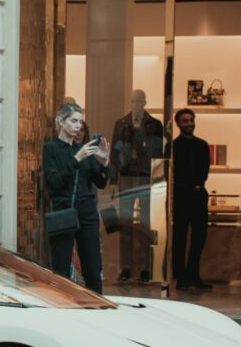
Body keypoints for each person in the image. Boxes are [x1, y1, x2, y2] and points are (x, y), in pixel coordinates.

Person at [43, 103, 108, 293]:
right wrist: (76, 159)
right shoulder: (51, 149)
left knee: (93, 267)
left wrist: (104, 161)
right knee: (61, 268)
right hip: (64, 211)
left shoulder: (85, 150)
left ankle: (98, 309)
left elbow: (101, 182)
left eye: (80, 121)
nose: (78, 125)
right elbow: (54, 183)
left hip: (87, 212)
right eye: (73, 121)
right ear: (60, 122)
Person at [110, 89, 163, 284]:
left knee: (146, 223)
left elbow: (159, 154)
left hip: (145, 177)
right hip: (126, 176)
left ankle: (147, 268)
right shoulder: (121, 124)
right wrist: (113, 181)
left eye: (140, 101)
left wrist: (158, 182)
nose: (136, 105)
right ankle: (126, 267)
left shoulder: (155, 125)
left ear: (145, 102)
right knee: (125, 223)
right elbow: (113, 155)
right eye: (133, 101)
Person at [168, 108, 212, 291]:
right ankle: (181, 277)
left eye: (191, 120)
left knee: (199, 237)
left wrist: (197, 185)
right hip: (181, 196)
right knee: (179, 237)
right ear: (178, 124)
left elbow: (205, 170)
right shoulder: (173, 147)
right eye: (185, 121)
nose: (189, 124)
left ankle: (194, 274)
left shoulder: (202, 145)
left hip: (199, 195)